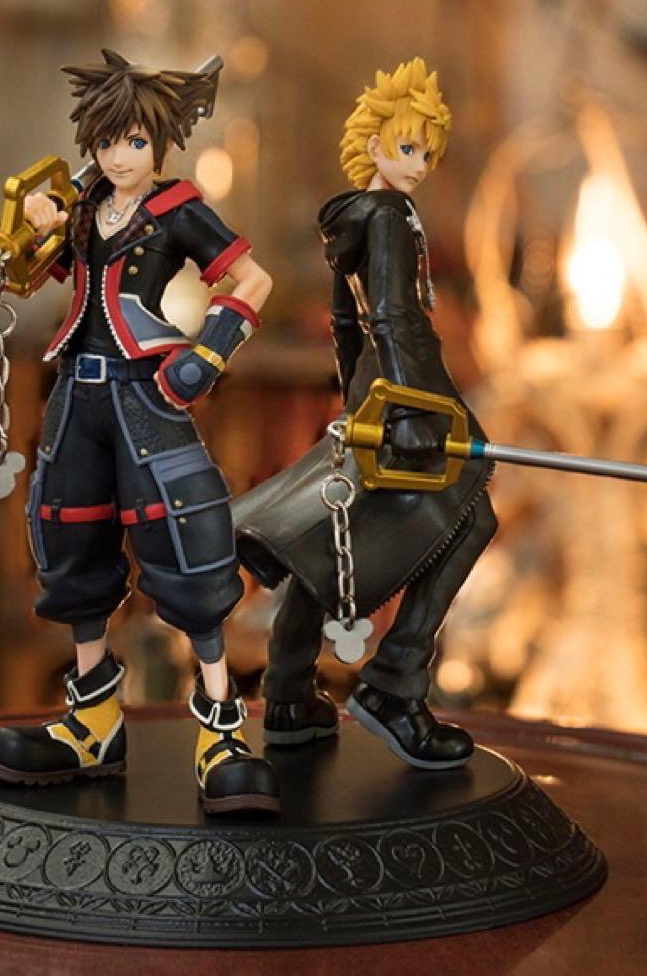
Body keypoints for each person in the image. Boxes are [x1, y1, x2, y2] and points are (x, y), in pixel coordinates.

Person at [0, 50, 279, 814]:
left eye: (135, 141)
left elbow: (253, 280)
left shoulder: (178, 208)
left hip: (145, 393)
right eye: (107, 140)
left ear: (161, 143)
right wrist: (34, 230)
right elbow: (37, 272)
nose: (119, 156)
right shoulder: (84, 202)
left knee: (188, 542)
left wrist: (207, 356)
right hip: (75, 394)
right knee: (69, 538)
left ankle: (220, 729)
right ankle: (93, 723)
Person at [233, 58, 497, 770]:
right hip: (410, 391)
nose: (417, 164)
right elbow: (388, 313)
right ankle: (393, 684)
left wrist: (360, 394)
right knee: (473, 518)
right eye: (406, 147)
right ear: (374, 143)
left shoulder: (356, 219)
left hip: (383, 389)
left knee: (331, 529)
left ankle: (288, 692)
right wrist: (409, 409)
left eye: (426, 153)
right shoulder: (385, 219)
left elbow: (347, 324)